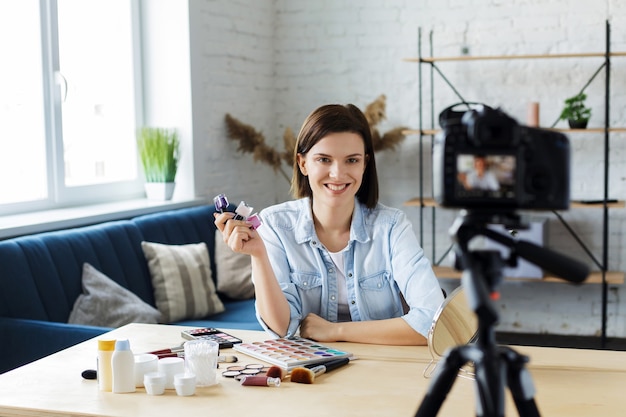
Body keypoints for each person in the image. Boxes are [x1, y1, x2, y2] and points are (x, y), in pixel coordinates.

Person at [215, 104, 444, 345]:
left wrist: (336, 331)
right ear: (303, 163)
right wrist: (258, 255)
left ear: (364, 164)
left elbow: (433, 322)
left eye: (351, 160)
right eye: (324, 159)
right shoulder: (275, 225)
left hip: (384, 365)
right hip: (310, 371)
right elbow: (282, 329)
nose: (337, 173)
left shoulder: (391, 226)